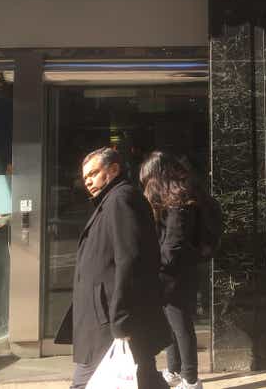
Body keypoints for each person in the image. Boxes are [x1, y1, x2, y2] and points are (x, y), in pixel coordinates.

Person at [61, 147, 171, 389]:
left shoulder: (121, 200)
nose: (88, 180)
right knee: (145, 378)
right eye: (85, 176)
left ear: (113, 169)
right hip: (109, 317)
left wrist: (121, 319)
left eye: (94, 173)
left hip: (110, 321)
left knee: (85, 383)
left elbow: (130, 260)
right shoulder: (112, 201)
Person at [139, 151, 204, 389]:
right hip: (171, 271)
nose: (145, 185)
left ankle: (191, 379)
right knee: (171, 324)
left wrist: (159, 269)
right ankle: (175, 369)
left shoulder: (179, 201)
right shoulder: (172, 199)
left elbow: (174, 243)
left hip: (176, 273)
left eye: (147, 179)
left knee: (180, 325)